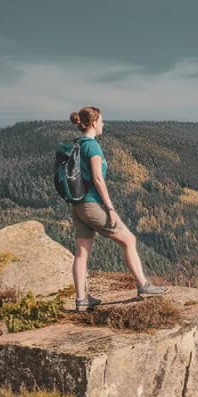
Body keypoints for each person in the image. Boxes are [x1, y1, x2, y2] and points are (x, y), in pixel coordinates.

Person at [66, 105, 167, 310]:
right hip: (92, 204)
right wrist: (110, 208)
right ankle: (143, 285)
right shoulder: (92, 146)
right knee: (129, 240)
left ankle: (81, 300)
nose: (103, 124)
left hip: (78, 205)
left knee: (81, 253)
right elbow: (97, 178)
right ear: (94, 123)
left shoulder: (77, 144)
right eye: (101, 121)